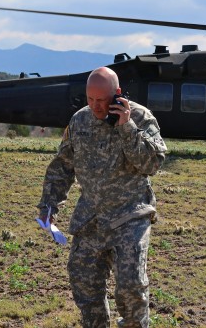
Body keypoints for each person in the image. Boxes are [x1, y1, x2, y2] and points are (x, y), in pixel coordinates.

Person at [37, 66, 167, 328]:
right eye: (90, 99)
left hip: (130, 215)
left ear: (117, 94)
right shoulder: (80, 121)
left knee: (130, 287)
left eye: (102, 100)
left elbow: (152, 164)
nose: (96, 106)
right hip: (91, 217)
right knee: (84, 284)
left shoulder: (141, 118)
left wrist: (126, 127)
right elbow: (62, 166)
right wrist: (49, 205)